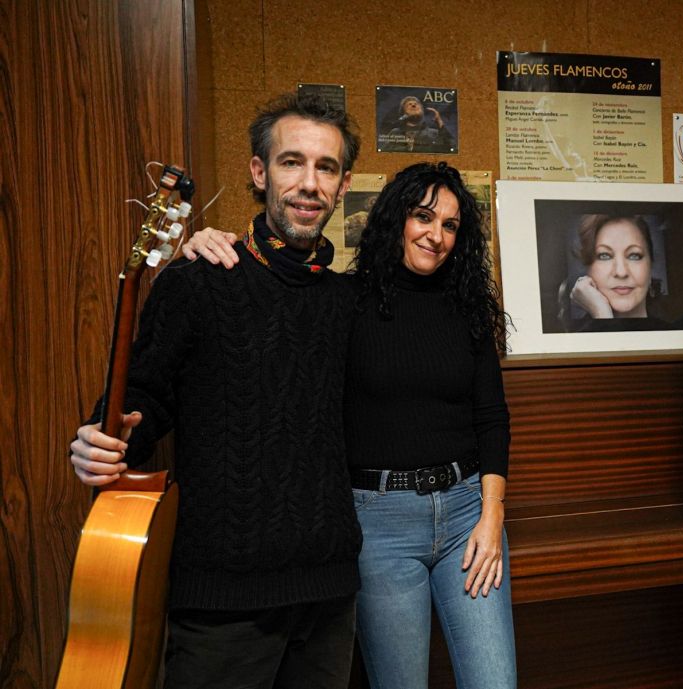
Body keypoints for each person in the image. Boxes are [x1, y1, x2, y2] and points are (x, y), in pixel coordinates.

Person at [68, 92, 363, 688]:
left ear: (343, 183)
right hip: (221, 607)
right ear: (259, 171)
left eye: (325, 167)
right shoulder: (198, 280)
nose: (309, 183)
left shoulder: (344, 301)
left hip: (330, 598)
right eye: (291, 162)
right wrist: (103, 440)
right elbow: (140, 400)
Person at [184, 162, 517, 689]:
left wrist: (492, 517)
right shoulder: (342, 301)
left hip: (466, 519)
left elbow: (491, 417)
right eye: (423, 216)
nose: (435, 235)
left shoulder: (469, 307)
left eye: (451, 225)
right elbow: (269, 290)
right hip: (379, 526)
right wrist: (210, 244)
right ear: (394, 220)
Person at [383, 95, 454, 153]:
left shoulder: (434, 133)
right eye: (409, 104)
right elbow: (384, 154)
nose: (413, 105)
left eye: (416, 104)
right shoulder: (395, 133)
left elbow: (451, 148)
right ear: (403, 113)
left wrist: (440, 122)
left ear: (422, 112)